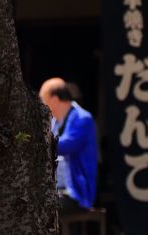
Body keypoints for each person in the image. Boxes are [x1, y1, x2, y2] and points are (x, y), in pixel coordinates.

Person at [39, 78, 98, 215]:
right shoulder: (54, 121)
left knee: (41, 205)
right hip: (57, 189)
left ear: (54, 100)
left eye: (44, 101)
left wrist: (36, 142)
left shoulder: (83, 118)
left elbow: (66, 146)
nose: (42, 106)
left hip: (75, 193)